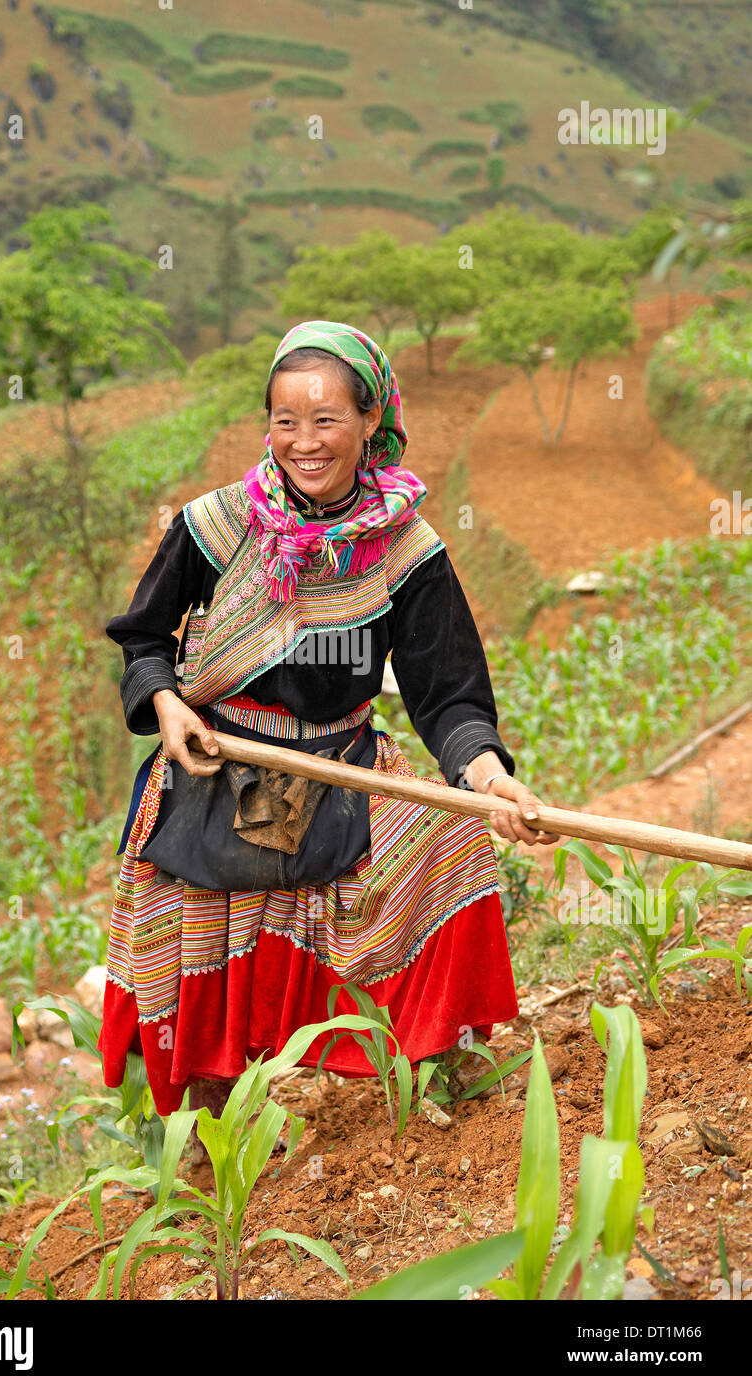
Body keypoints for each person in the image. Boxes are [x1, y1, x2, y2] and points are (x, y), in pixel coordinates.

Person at [98, 319, 558, 1140]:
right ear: (266, 424)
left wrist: (488, 780)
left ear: (371, 421)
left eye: (326, 419)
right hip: (221, 769)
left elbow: (448, 695)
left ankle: (426, 1077)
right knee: (207, 933)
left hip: (341, 767)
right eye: (285, 420)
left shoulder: (404, 550)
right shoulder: (215, 525)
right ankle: (214, 1137)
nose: (303, 442)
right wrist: (167, 706)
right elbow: (143, 638)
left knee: (452, 844)